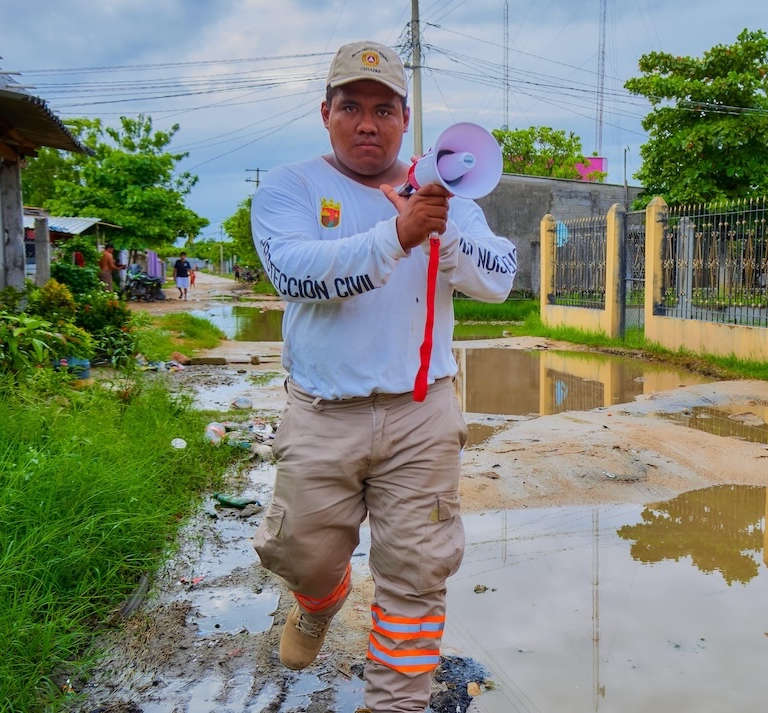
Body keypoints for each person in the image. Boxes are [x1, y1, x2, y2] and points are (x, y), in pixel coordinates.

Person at [250, 40, 517, 712]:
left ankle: (393, 703)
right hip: (320, 409)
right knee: (301, 552)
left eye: (383, 108)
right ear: (326, 113)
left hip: (422, 411)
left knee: (416, 574)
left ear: (404, 118)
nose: (367, 122)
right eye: (350, 107)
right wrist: (397, 234)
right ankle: (320, 597)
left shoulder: (445, 188)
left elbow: (500, 277)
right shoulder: (291, 186)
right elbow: (294, 269)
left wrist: (445, 228)